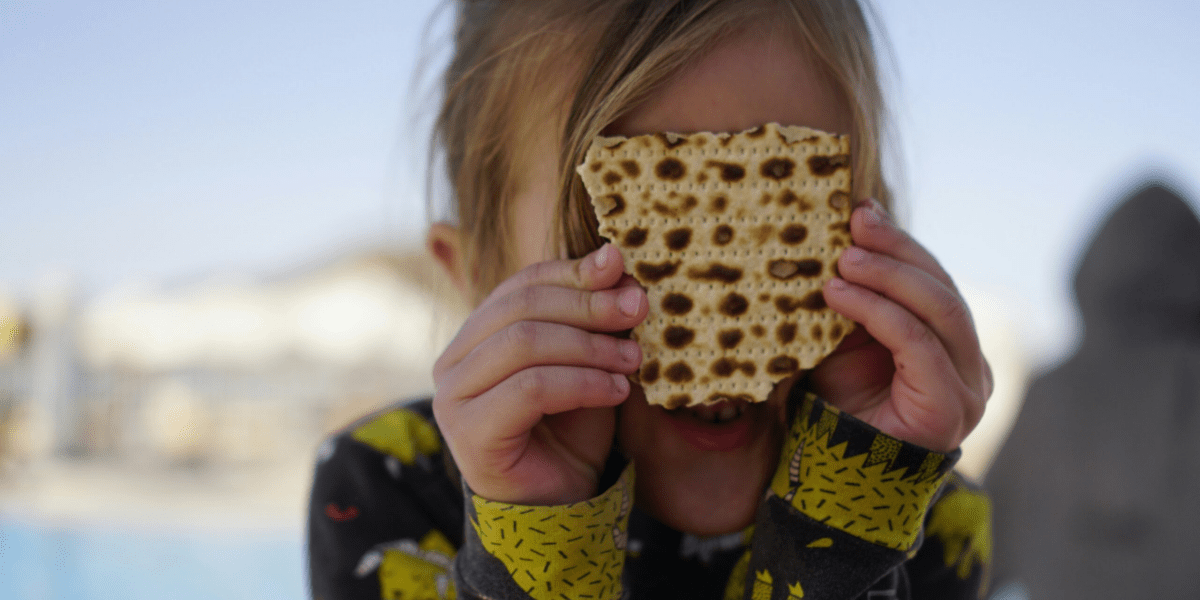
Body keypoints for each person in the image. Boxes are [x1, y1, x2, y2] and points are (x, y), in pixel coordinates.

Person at [308, 1, 993, 599]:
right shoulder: (386, 487)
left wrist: (856, 511)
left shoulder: (924, 515)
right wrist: (538, 551)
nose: (711, 297)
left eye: (782, 232)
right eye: (616, 236)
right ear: (478, 271)